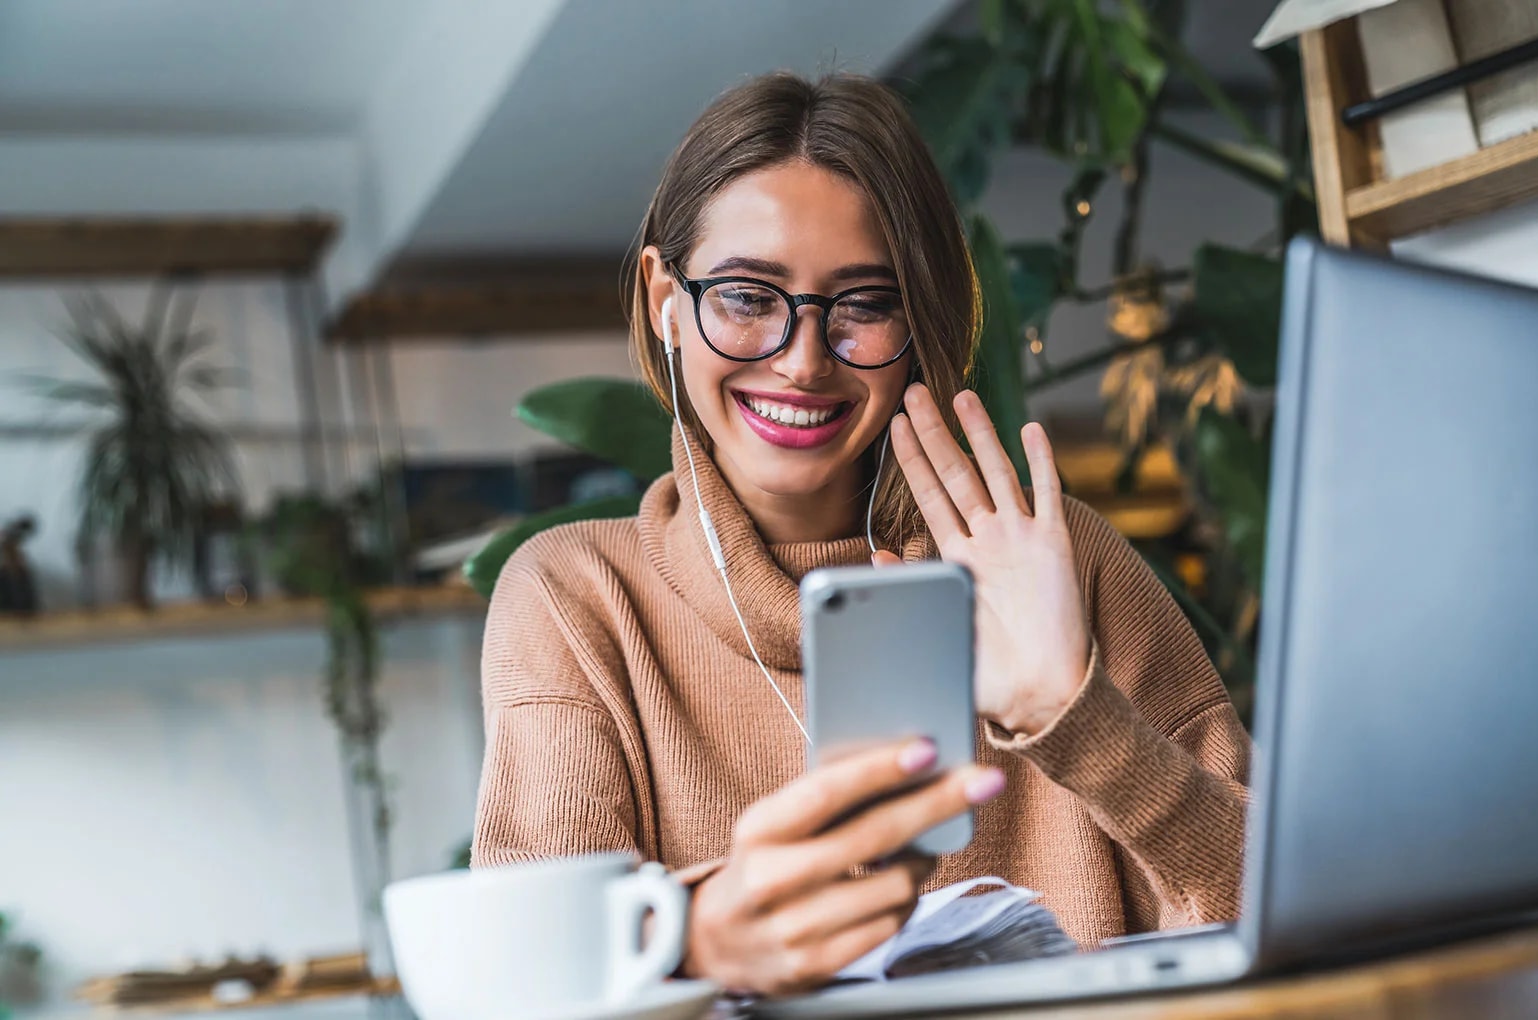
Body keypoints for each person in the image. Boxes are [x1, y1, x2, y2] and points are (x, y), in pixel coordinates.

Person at [473, 72, 1249, 996]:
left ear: (919, 321)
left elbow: (1293, 927)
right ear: (664, 301)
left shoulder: (1053, 560)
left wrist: (1073, 718)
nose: (803, 361)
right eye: (747, 297)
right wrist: (692, 944)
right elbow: (527, 986)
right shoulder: (575, 599)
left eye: (866, 304)